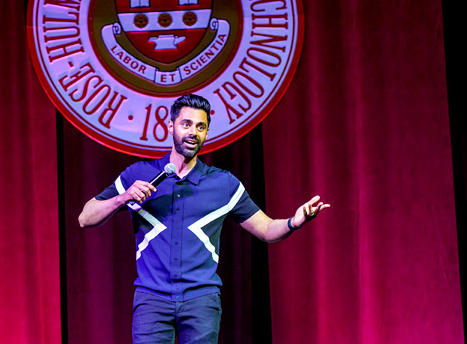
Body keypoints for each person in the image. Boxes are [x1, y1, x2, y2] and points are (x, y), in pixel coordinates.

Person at [78, 94, 330, 344]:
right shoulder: (140, 173)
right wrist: (122, 198)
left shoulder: (223, 184)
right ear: (170, 127)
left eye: (200, 127)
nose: (193, 133)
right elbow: (85, 218)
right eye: (186, 124)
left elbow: (265, 229)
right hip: (151, 299)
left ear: (207, 133)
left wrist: (293, 222)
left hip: (201, 300)